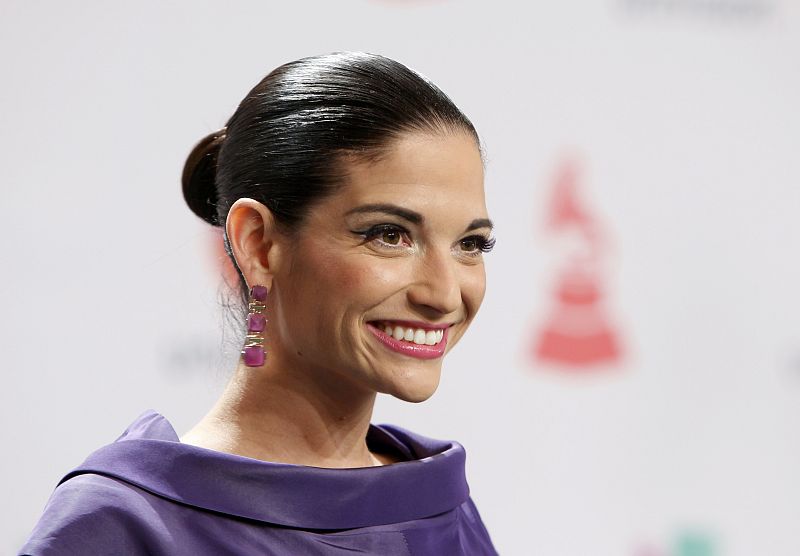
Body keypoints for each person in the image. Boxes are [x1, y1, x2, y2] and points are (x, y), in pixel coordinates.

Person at [19, 51, 498, 555]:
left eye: (470, 244)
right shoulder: (125, 525)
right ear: (258, 244)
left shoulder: (440, 504)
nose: (444, 294)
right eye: (389, 234)